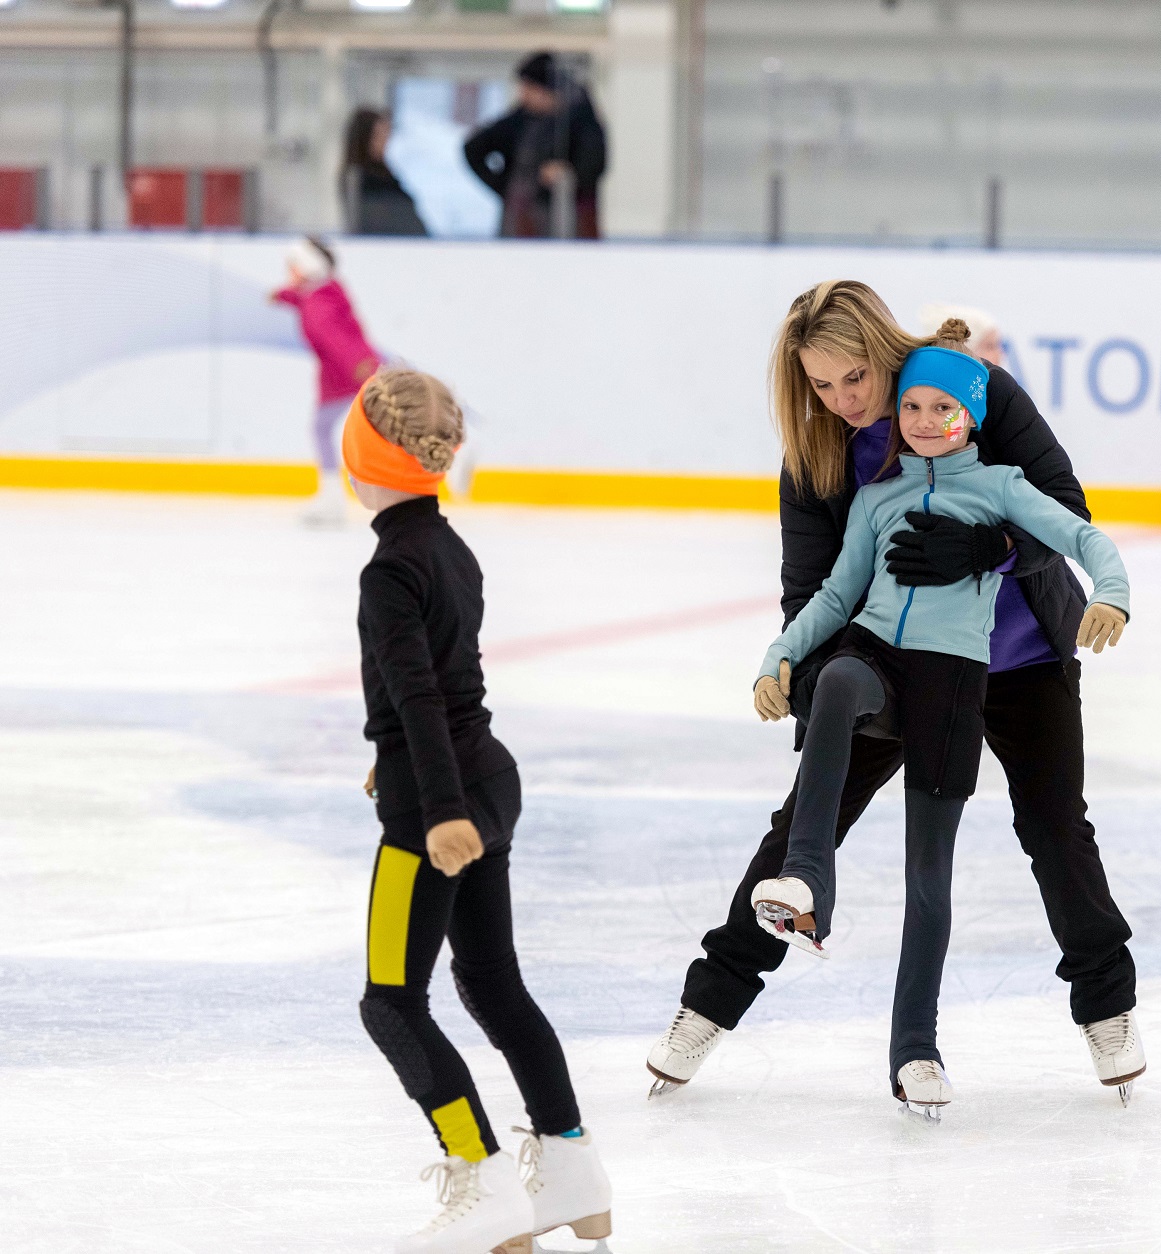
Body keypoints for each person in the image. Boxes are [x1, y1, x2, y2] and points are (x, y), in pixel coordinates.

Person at [645, 279, 1146, 1107]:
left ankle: (1108, 1008)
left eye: (853, 379)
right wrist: (814, 695)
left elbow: (1062, 507)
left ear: (884, 354)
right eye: (819, 384)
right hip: (897, 666)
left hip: (1018, 660)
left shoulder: (960, 386)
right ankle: (708, 1004)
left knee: (1057, 829)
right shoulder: (818, 456)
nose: (841, 401)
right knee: (803, 827)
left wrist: (987, 547)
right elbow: (812, 588)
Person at [347, 369, 612, 1251]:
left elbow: (420, 697)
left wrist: (436, 809)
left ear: (361, 459)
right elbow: (436, 692)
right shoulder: (450, 548)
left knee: (391, 1002)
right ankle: (573, 1169)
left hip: (440, 808)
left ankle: (484, 1178)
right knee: (491, 982)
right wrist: (402, 766)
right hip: (486, 780)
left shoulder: (389, 568)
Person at [270, 237, 380, 527]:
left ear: (307, 267)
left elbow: (337, 340)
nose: (289, 271)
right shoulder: (320, 292)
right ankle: (331, 497)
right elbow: (302, 298)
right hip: (344, 374)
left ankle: (332, 499)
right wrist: (282, 296)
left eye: (293, 266)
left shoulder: (319, 304)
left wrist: (362, 372)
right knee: (324, 429)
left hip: (350, 373)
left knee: (366, 429)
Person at [463, 52, 607, 240]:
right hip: (524, 215)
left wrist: (569, 173)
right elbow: (474, 147)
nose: (523, 95)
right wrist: (505, 187)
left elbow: (595, 161)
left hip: (570, 213)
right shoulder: (520, 119)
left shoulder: (581, 119)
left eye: (529, 89)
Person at [342, 107, 428, 237]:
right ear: (365, 138)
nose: (385, 141)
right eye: (379, 135)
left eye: (386, 134)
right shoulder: (359, 179)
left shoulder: (387, 176)